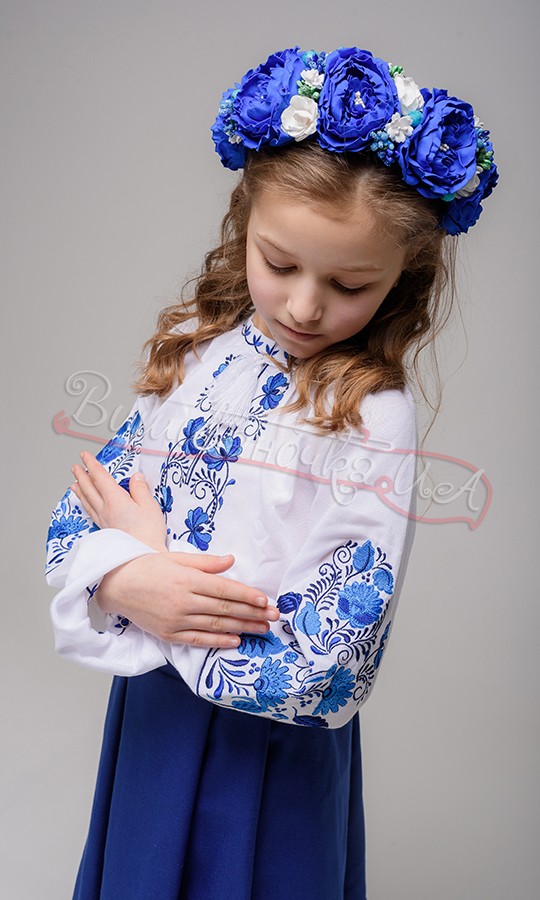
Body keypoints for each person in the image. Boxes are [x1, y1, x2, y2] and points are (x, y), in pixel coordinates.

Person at [45, 45, 497, 900]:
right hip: (153, 717)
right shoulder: (195, 353)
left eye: (349, 284)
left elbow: (337, 650)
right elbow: (85, 509)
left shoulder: (371, 416)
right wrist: (122, 576)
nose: (304, 306)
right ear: (243, 222)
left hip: (268, 747)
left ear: (402, 278)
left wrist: (161, 584)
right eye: (279, 264)